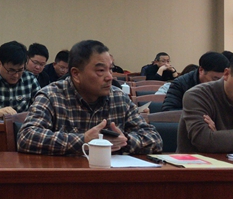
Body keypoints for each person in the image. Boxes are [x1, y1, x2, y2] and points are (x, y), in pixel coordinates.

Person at [17, 40, 162, 155]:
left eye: (110, 69)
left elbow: (154, 138)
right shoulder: (51, 96)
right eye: (101, 70)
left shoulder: (119, 98)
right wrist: (84, 140)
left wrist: (124, 141)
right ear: (76, 74)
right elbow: (27, 137)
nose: (109, 77)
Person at [162, 52, 229, 112]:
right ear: (201, 70)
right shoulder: (181, 83)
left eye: (222, 79)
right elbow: (168, 111)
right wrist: (197, 114)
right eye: (215, 79)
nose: (219, 83)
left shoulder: (226, 84)